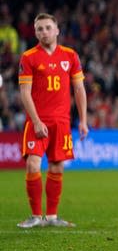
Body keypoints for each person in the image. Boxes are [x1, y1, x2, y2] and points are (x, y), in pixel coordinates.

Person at [17, 13, 88, 228]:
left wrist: (83, 120)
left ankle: (52, 217)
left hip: (62, 122)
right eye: (39, 29)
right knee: (32, 164)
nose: (44, 32)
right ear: (35, 32)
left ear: (57, 30)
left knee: (57, 167)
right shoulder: (28, 57)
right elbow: (25, 93)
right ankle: (36, 216)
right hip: (37, 122)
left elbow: (79, 88)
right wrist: (36, 121)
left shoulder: (70, 56)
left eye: (48, 28)